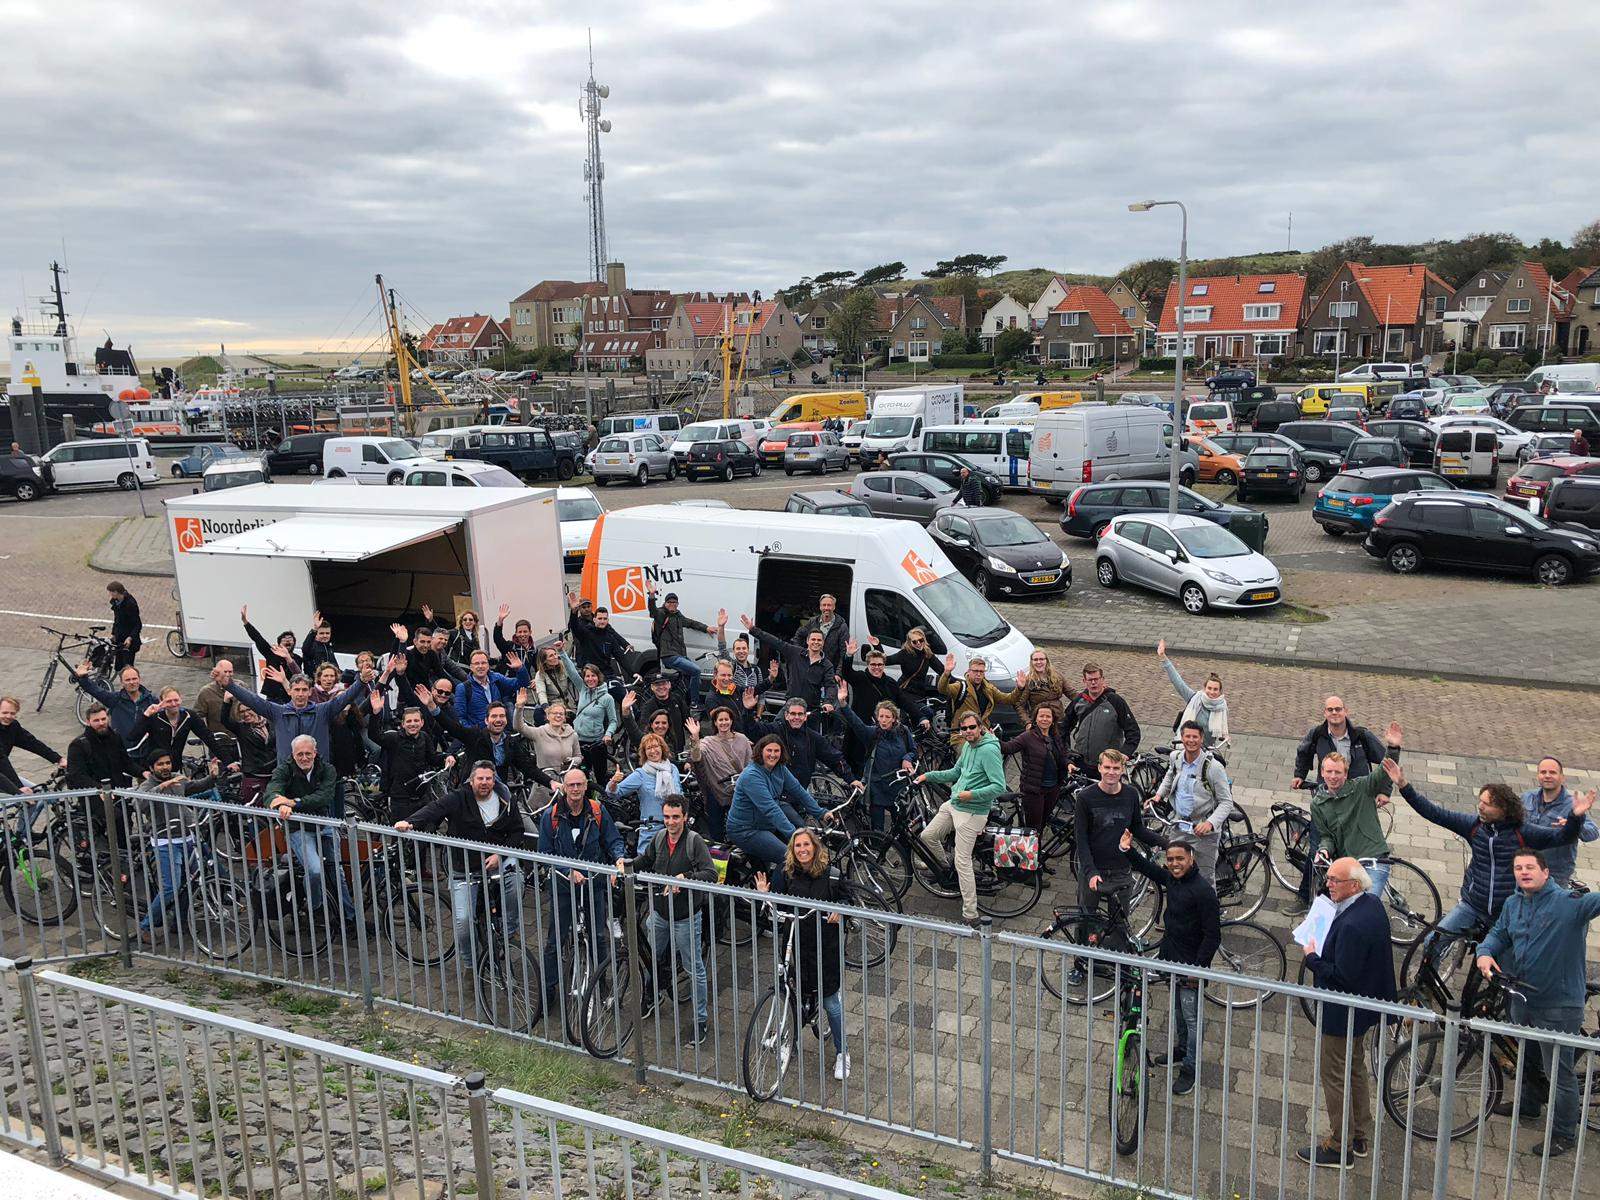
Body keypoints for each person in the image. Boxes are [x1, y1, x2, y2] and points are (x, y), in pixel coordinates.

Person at [1387, 760, 1590, 973]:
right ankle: (1426, 989)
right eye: (1480, 801)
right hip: (1472, 905)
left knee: (1508, 968)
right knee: (1433, 942)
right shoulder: (1474, 827)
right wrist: (1403, 785)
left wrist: (1576, 817)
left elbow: (1562, 837)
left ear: (1503, 809)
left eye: (1486, 804)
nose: (1480, 807)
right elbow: (1434, 813)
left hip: (1507, 911)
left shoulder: (1524, 833)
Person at [1476, 848, 1600, 1158]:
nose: (1523, 872)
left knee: (1559, 1071)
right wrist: (1485, 952)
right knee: (1528, 1057)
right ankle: (1530, 1105)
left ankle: (1563, 1133)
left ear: (1546, 872)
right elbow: (1498, 933)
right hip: (1522, 999)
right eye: (1518, 868)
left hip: (1557, 1005)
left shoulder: (1569, 905)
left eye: (1530, 867)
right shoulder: (1514, 903)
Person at [1299, 858, 1396, 1169]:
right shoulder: (1372, 904)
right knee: (1355, 1066)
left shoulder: (1352, 925)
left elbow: (1343, 975)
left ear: (1354, 885)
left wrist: (1312, 958)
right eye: (1328, 879)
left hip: (1342, 1013)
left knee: (1334, 1074)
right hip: (1363, 1010)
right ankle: (1358, 1133)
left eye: (1334, 881)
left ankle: (1340, 1147)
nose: (1329, 885)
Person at [395, 761, 527, 955]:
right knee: (464, 922)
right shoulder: (458, 798)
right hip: (465, 868)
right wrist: (409, 822)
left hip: (500, 862)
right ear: (471, 781)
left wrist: (501, 854)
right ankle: (469, 965)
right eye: (480, 778)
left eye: (488, 778)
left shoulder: (507, 799)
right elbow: (435, 808)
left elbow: (517, 832)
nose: (484, 783)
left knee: (516, 883)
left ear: (494, 780)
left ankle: (509, 933)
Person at [1124, 834, 1219, 1096]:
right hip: (1172, 959)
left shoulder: (1203, 892)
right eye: (1170, 860)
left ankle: (1190, 1069)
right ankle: (1180, 1050)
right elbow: (1149, 869)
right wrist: (1128, 849)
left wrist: (1197, 970)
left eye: (1180, 859)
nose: (1174, 863)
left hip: (1190, 967)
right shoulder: (1171, 879)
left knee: (1192, 1017)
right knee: (1178, 1010)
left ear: (1192, 859)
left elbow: (1213, 935)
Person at [755, 827, 854, 1080]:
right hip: (795, 942)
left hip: (824, 946)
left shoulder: (831, 876)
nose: (802, 850)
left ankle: (843, 1052)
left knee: (830, 1001)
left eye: (806, 845)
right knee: (791, 991)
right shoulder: (785, 873)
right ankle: (788, 1034)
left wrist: (840, 910)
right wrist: (764, 896)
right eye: (797, 846)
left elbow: (847, 900)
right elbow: (777, 904)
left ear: (815, 847)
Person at [537, 768, 628, 1025]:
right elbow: (545, 853)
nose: (575, 790)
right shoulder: (551, 816)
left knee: (598, 936)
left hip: (594, 884)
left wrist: (618, 857)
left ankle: (600, 983)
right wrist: (568, 870)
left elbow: (613, 840)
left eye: (579, 785)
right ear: (564, 788)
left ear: (586, 786)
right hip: (564, 886)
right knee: (556, 940)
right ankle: (548, 991)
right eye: (571, 785)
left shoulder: (597, 812)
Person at [631, 794, 716, 1042]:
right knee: (650, 958)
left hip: (685, 916)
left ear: (685, 818)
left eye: (675, 817)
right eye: (667, 817)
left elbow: (710, 874)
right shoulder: (658, 838)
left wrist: (685, 877)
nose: (670, 822)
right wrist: (624, 867)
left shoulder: (694, 841)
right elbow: (645, 860)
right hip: (659, 912)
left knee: (694, 969)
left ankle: (700, 1020)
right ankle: (651, 995)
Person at [916, 713, 1007, 925]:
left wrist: (971, 795)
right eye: (963, 728)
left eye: (971, 727)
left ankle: (970, 913)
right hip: (954, 803)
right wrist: (928, 776)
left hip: (973, 811)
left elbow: (999, 786)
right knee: (927, 836)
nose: (967, 731)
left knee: (962, 860)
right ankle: (944, 867)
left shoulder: (989, 750)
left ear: (981, 727)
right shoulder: (967, 746)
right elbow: (956, 772)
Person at [264, 734, 358, 926]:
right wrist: (277, 802)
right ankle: (316, 911)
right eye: (300, 754)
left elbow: (324, 796)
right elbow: (272, 791)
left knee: (337, 871)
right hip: (299, 829)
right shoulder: (285, 769)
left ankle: (349, 917)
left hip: (324, 823)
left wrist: (293, 802)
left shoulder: (327, 769)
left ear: (315, 753)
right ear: (293, 754)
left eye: (308, 753)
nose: (304, 758)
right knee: (314, 870)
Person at [1299, 738, 1403, 905]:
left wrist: (1392, 748)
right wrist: (1324, 850)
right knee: (1335, 909)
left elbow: (1383, 772)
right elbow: (1327, 837)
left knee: (1365, 907)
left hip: (1373, 860)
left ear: (1346, 774)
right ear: (1322, 773)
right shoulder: (1317, 804)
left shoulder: (1362, 787)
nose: (1333, 777)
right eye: (1329, 772)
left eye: (1338, 772)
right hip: (1347, 867)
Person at [133, 750, 222, 944]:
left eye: (167, 763)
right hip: (165, 841)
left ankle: (180, 923)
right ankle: (145, 925)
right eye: (160, 764)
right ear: (151, 768)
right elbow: (138, 804)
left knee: (190, 882)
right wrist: (162, 788)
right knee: (170, 887)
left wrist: (212, 776)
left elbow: (196, 786)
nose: (165, 767)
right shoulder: (147, 786)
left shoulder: (177, 779)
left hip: (186, 837)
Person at [1073, 748, 1166, 917]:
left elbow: (1137, 828)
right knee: (1086, 922)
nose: (1111, 772)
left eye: (1116, 768)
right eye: (1107, 767)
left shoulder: (1130, 794)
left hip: (1121, 870)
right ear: (1100, 768)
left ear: (1123, 770)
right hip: (1095, 868)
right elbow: (1081, 839)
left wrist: (1165, 843)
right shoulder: (1085, 797)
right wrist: (1090, 872)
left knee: (1119, 924)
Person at [727, 735, 827, 875]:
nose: (773, 755)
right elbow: (770, 809)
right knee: (788, 857)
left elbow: (798, 791)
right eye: (769, 750)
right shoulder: (751, 776)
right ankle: (774, 894)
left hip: (765, 823)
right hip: (746, 830)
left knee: (801, 826)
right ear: (760, 751)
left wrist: (821, 812)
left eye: (777, 751)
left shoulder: (780, 768)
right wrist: (794, 835)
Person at [227, 666, 371, 764]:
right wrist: (229, 685)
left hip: (317, 772)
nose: (300, 694)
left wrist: (362, 681)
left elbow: (345, 697)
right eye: (296, 690)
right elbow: (253, 700)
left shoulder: (323, 711)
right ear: (289, 691)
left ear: (310, 692)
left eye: (304, 690)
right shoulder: (278, 712)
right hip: (288, 774)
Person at [1153, 721, 1234, 883]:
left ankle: (1210, 908)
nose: (1191, 740)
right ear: (1182, 738)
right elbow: (1170, 776)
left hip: (1204, 834)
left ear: (1201, 739)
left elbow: (1226, 802)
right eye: (1187, 736)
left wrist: (1210, 823)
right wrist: (1158, 795)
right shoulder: (1175, 758)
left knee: (1205, 879)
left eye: (1195, 737)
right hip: (1179, 827)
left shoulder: (1214, 768)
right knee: (1177, 873)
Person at [837, 689, 916, 833]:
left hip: (898, 789)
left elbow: (913, 751)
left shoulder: (904, 732)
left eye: (887, 716)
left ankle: (904, 853)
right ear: (877, 718)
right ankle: (877, 854)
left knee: (902, 829)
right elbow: (856, 723)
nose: (884, 720)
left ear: (894, 719)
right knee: (877, 831)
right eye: (881, 716)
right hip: (877, 789)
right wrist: (843, 704)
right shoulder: (872, 733)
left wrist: (907, 758)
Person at [741, 694, 854, 790]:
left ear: (805, 717)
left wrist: (851, 780)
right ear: (786, 715)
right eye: (793, 714)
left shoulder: (813, 737)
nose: (796, 717)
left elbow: (833, 758)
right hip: (776, 792)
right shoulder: (775, 730)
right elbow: (753, 731)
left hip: (800, 792)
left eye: (800, 714)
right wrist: (747, 711)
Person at [371, 699, 451, 822]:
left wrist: (447, 757)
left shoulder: (424, 737)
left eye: (416, 720)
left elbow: (432, 758)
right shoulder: (394, 738)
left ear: (422, 722)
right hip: (400, 797)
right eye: (409, 721)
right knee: (401, 834)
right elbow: (374, 735)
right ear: (403, 724)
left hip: (422, 793)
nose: (412, 724)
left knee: (426, 831)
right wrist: (375, 714)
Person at [1522, 758, 1598, 886]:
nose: (1547, 776)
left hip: (1555, 875)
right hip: (1526, 868)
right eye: (1543, 772)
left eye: (1552, 772)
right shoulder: (1527, 797)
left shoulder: (1572, 804)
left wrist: (1573, 824)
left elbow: (1593, 832)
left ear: (1562, 777)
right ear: (1538, 776)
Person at [646, 583, 722, 711]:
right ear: (665, 603)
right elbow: (652, 610)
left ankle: (681, 701)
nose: (672, 604)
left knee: (695, 679)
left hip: (680, 655)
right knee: (696, 671)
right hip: (669, 655)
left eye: (675, 602)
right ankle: (694, 703)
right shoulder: (661, 614)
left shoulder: (678, 616)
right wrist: (652, 595)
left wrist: (706, 628)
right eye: (669, 602)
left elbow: (691, 623)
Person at [1293, 697, 1397, 787]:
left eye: (1338, 709)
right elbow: (1303, 753)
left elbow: (1388, 763)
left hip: (1358, 794)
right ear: (1325, 713)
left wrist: (1383, 791)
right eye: (1330, 709)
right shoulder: (1317, 734)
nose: (1334, 712)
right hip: (1327, 794)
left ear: (1345, 711)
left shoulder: (1362, 735)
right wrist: (1299, 775)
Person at [741, 616, 836, 710]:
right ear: (807, 641)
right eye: (813, 639)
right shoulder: (795, 652)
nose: (816, 642)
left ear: (823, 643)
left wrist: (828, 702)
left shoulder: (827, 665)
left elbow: (830, 686)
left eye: (819, 640)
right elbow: (775, 642)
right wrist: (753, 629)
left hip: (811, 711)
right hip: (790, 707)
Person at [1002, 704, 1069, 834]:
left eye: (1048, 716)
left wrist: (1069, 764)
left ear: (1053, 719)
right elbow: (1007, 748)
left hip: (1053, 788)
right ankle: (1031, 852)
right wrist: (990, 738)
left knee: (1043, 823)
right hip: (1034, 790)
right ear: (1035, 719)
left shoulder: (1055, 736)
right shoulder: (1027, 737)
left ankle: (1036, 849)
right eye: (1041, 716)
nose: (1045, 719)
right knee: (1033, 828)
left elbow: (1063, 755)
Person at [607, 731, 684, 842]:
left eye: (656, 746)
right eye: (648, 748)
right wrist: (614, 782)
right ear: (644, 753)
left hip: (675, 828)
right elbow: (614, 793)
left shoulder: (672, 769)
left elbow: (680, 794)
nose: (653, 751)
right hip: (652, 830)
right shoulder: (640, 774)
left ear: (662, 748)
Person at [689, 705, 750, 841]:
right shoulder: (708, 742)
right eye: (720, 720)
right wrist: (695, 737)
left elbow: (750, 764)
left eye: (726, 719)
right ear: (715, 723)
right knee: (716, 830)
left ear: (731, 721)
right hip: (716, 792)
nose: (724, 723)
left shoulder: (742, 739)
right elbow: (696, 757)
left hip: (739, 790)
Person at [935, 654, 1024, 747]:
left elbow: (1008, 699)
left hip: (983, 732)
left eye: (981, 671)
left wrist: (1019, 689)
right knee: (968, 756)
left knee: (993, 752)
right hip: (962, 734)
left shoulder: (989, 688)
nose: (978, 674)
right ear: (969, 671)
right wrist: (946, 673)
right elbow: (942, 689)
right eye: (975, 671)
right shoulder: (961, 687)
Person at [129, 686, 229, 767]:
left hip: (175, 766)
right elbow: (133, 737)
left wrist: (228, 761)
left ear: (181, 699)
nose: (173, 704)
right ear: (161, 701)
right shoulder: (155, 717)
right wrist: (146, 715)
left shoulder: (189, 716)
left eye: (176, 700)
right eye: (169, 701)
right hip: (155, 767)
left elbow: (208, 738)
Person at [1155, 640, 1229, 749]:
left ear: (1220, 692)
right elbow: (1177, 681)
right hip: (1185, 746)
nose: (1212, 692)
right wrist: (1163, 657)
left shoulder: (1222, 707)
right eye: (1209, 688)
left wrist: (1226, 736)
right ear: (1204, 688)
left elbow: (1222, 729)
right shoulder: (1195, 698)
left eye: (1215, 689)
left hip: (1206, 749)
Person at [1063, 663, 1140, 766]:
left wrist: (1125, 753)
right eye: (1090, 680)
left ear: (1103, 679)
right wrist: (1067, 753)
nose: (1093, 683)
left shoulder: (1115, 701)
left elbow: (1133, 731)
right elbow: (1063, 727)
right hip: (1082, 762)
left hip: (1108, 765)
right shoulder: (1079, 700)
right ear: (1084, 681)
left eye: (1096, 679)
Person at [72, 662, 156, 748]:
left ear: (139, 679)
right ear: (122, 683)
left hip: (146, 750)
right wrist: (83, 678)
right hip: (123, 750)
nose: (132, 682)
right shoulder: (115, 699)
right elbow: (96, 691)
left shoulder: (151, 700)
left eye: (134, 679)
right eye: (127, 680)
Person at [0, 694, 64, 795]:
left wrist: (58, 759)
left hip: (4, 773)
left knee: (38, 793)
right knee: (24, 797)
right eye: (4, 713)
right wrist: (19, 787)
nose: (8, 716)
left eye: (12, 713)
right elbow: (1, 759)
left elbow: (32, 743)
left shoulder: (13, 726)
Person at [568, 660, 621, 782]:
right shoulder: (582, 689)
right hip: (579, 742)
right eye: (587, 676)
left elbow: (613, 720)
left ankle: (602, 798)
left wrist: (608, 735)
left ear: (599, 677)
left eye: (593, 676)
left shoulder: (607, 698)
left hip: (596, 743)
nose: (590, 679)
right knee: (582, 775)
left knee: (600, 777)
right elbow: (571, 671)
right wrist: (561, 652)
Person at [239, 605, 303, 703]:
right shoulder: (270, 653)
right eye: (284, 640)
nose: (288, 641)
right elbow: (257, 638)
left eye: (290, 639)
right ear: (278, 644)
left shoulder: (297, 658)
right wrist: (245, 622)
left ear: (294, 643)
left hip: (290, 696)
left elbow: (298, 675)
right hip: (273, 697)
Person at [65, 704, 135, 791]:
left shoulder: (115, 737)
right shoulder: (78, 745)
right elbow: (77, 776)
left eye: (103, 719)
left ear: (108, 718)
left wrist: (143, 772)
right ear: (88, 722)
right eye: (96, 720)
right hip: (95, 797)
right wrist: (100, 789)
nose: (101, 723)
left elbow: (126, 762)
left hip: (118, 792)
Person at [455, 649, 530, 729]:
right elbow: (460, 718)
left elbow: (521, 685)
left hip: (500, 732)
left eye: (483, 663)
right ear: (471, 667)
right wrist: (474, 734)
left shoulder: (496, 678)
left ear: (488, 665)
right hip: (479, 735)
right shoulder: (463, 688)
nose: (480, 666)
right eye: (476, 663)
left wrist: (520, 669)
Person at [221, 700, 276, 805]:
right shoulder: (241, 728)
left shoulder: (270, 723)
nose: (246, 714)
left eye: (249, 709)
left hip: (273, 774)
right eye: (242, 712)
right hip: (254, 775)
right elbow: (224, 720)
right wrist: (227, 702)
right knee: (256, 810)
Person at [566, 594, 633, 679]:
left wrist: (625, 644)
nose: (587, 609)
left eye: (588, 606)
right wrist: (573, 612)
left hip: (602, 660)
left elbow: (613, 634)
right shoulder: (580, 624)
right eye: (583, 607)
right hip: (585, 656)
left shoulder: (600, 620)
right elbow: (574, 627)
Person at [1013, 649, 1069, 729]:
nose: (1039, 662)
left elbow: (1071, 693)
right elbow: (1019, 704)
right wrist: (1027, 723)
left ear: (1047, 661)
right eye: (1035, 660)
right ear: (1032, 662)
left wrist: (1087, 699)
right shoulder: (1029, 681)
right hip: (1040, 722)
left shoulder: (1057, 676)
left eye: (1041, 659)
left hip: (1058, 720)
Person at [519, 697, 580, 771]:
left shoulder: (573, 735)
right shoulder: (539, 732)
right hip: (546, 778)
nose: (558, 716)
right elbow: (519, 727)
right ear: (548, 716)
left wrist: (572, 760)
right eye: (554, 713)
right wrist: (519, 708)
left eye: (561, 714)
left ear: (564, 718)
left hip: (568, 777)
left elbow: (578, 756)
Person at [792, 594, 848, 666]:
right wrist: (800, 653)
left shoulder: (842, 626)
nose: (826, 608)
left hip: (829, 669)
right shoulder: (812, 621)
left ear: (834, 607)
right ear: (820, 607)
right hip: (810, 665)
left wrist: (838, 673)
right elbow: (799, 635)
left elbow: (843, 652)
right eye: (824, 605)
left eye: (829, 605)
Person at [107, 581, 142, 670]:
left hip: (129, 641)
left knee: (127, 667)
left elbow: (137, 624)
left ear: (116, 592)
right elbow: (117, 620)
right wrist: (114, 634)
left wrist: (130, 638)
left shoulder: (130, 604)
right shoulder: (115, 602)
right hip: (119, 639)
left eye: (110, 592)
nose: (110, 594)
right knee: (119, 667)